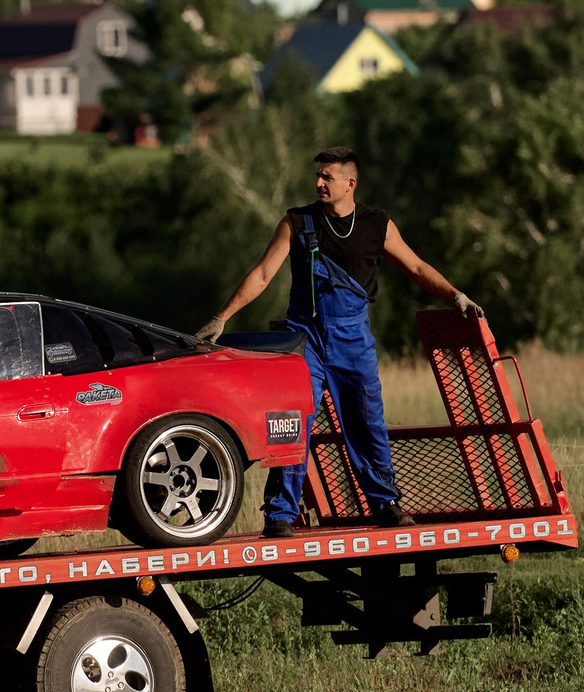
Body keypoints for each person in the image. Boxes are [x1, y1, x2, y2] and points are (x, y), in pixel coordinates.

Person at [195, 147, 481, 537]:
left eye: (327, 177)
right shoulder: (297, 222)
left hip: (353, 338)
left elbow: (415, 267)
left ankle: (385, 504)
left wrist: (455, 296)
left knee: (367, 424)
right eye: (318, 176)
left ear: (350, 182)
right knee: (292, 422)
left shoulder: (376, 224)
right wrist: (221, 317)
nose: (318, 183)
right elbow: (262, 274)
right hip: (305, 339)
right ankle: (280, 514)